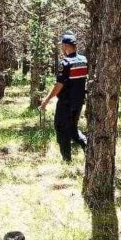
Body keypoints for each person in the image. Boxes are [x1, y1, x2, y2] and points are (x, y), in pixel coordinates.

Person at [39, 32, 88, 161]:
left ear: (66, 46)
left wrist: (46, 100)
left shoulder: (66, 63)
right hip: (78, 102)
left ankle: (67, 160)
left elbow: (59, 85)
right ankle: (86, 145)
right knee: (72, 129)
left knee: (61, 129)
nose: (61, 48)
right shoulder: (83, 60)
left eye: (62, 46)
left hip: (66, 103)